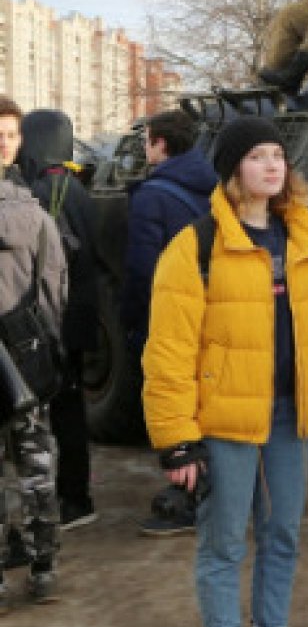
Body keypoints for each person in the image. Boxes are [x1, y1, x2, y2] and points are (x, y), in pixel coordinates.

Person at [142, 116, 308, 627]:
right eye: (259, 156)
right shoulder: (197, 245)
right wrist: (178, 442)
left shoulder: (305, 239)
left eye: (279, 156)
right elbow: (168, 349)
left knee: (283, 536)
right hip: (225, 421)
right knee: (222, 543)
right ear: (233, 168)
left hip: (291, 417)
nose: (273, 166)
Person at [121, 109, 220, 537]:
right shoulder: (217, 186)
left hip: (171, 314)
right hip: (216, 312)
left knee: (175, 406)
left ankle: (188, 499)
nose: (145, 148)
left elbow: (144, 269)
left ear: (161, 143)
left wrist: (134, 323)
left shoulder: (151, 196)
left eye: (147, 140)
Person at [17, 110, 100, 532]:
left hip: (57, 320)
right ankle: (76, 494)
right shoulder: (76, 187)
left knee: (56, 414)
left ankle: (73, 499)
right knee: (71, 411)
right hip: (80, 315)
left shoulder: (45, 189)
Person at [0, 94, 67, 611]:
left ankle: (27, 568)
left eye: (11, 134)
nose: (6, 142)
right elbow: (54, 287)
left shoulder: (34, 209)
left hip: (19, 357)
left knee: (31, 467)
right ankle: (42, 565)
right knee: (37, 464)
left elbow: (53, 283)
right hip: (25, 356)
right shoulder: (34, 211)